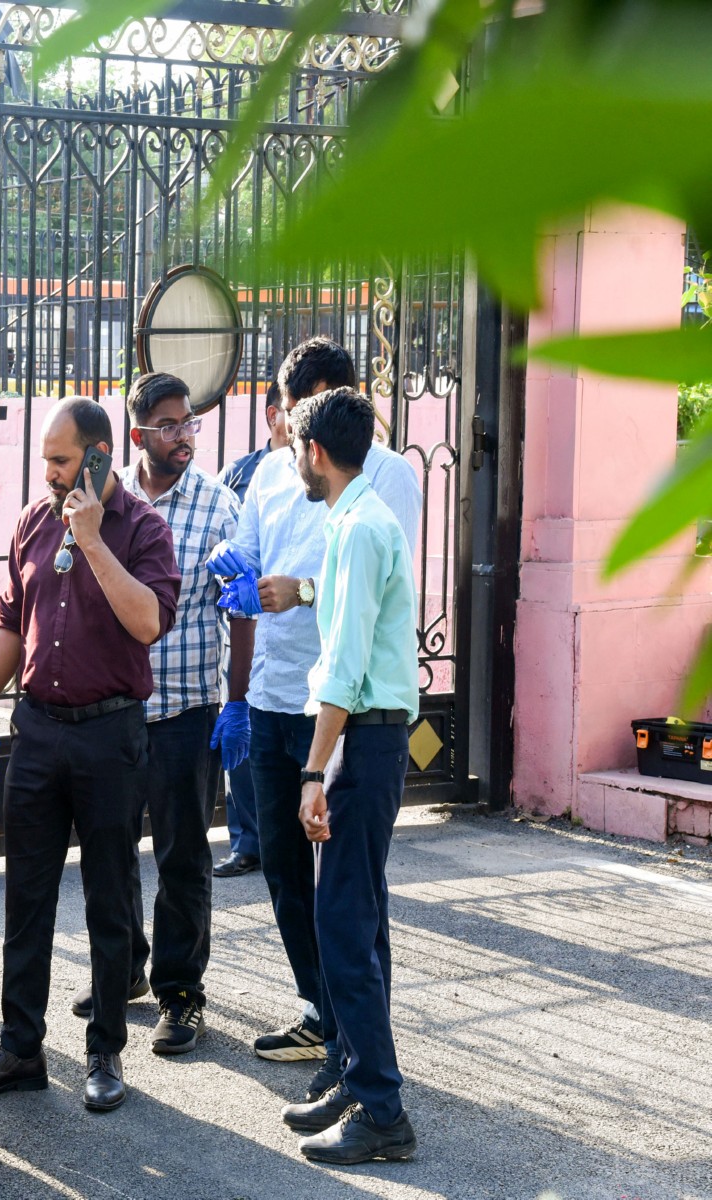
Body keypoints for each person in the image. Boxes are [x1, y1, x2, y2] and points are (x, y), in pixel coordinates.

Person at [205, 337, 420, 1094]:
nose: (284, 433)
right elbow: (253, 558)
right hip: (278, 697)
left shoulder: (379, 494)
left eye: (296, 421)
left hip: (343, 715)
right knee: (297, 886)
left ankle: (365, 1056)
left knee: (352, 903)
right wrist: (237, 574)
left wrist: (298, 590)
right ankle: (331, 1029)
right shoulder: (275, 477)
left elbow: (356, 623)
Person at [0, 398, 181, 1114]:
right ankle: (20, 1047)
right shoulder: (31, 521)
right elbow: (10, 624)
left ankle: (105, 1051)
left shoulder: (143, 529)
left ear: (98, 455)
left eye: (62, 462)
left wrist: (92, 542)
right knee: (25, 895)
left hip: (108, 735)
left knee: (109, 898)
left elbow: (148, 621)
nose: (51, 476)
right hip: (37, 730)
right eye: (48, 463)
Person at [72, 372, 252, 1058]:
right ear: (136, 431)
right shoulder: (102, 502)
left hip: (183, 709)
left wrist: (234, 702)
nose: (183, 437)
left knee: (181, 857)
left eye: (190, 425)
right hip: (113, 710)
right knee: (111, 852)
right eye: (169, 426)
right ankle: (126, 972)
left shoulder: (217, 507)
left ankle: (182, 994)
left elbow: (238, 610)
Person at [276, 386, 419, 1165]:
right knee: (360, 919)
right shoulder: (356, 520)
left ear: (317, 453)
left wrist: (311, 771)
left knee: (342, 925)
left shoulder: (359, 530)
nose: (297, 461)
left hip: (362, 741)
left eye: (298, 449)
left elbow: (344, 667)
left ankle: (383, 1109)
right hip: (365, 739)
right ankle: (365, 1080)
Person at [214, 381, 286, 879]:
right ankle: (246, 840)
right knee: (239, 727)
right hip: (241, 627)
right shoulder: (242, 474)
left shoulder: (323, 477)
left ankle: (285, 836)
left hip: (291, 621)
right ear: (272, 415)